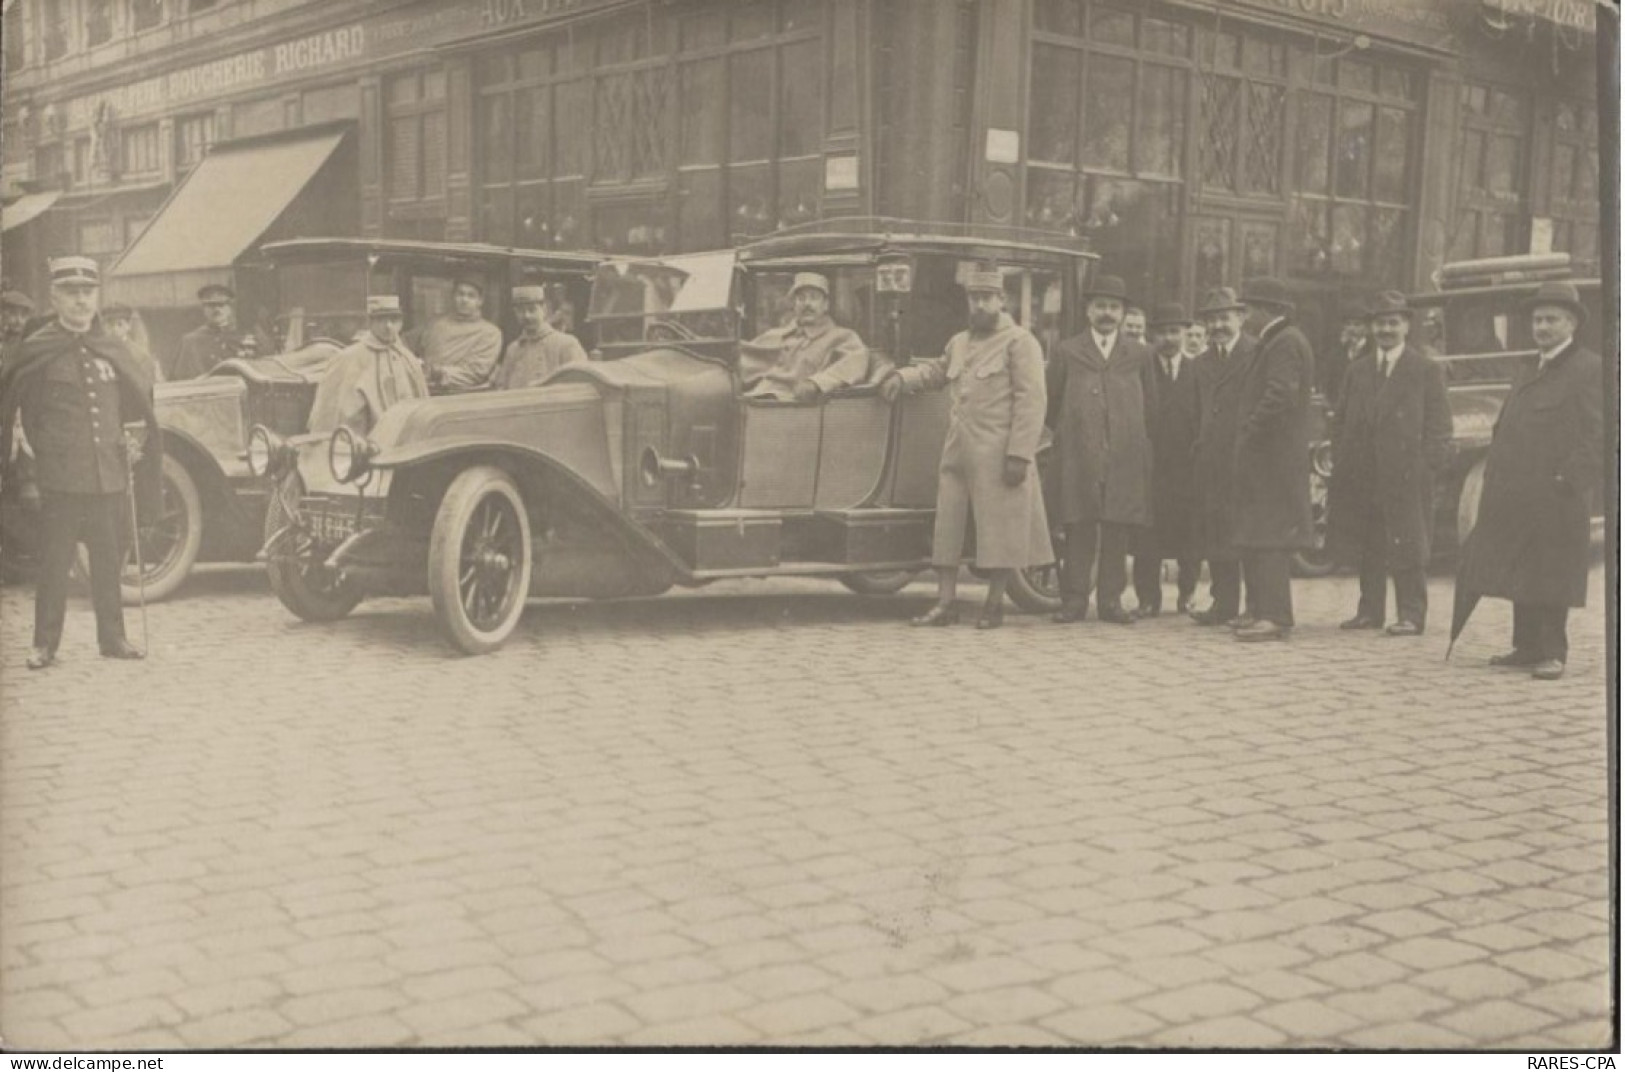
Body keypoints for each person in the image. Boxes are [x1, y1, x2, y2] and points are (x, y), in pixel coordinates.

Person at [0, 255, 161, 670]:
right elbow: (23, 416)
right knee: (54, 564)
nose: (80, 301)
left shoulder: (112, 348)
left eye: (87, 292)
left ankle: (114, 638)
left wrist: (133, 437)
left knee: (108, 562)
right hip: (61, 478)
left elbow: (134, 402)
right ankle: (44, 644)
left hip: (106, 474)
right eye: (71, 293)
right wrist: (36, 470)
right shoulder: (38, 349)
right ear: (54, 297)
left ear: (97, 296)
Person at [878, 266, 1051, 629]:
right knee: (948, 527)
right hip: (958, 451)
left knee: (999, 530)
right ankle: (945, 602)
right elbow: (936, 372)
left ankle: (994, 605)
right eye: (974, 298)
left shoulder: (1021, 342)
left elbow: (1032, 401)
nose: (980, 305)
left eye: (987, 298)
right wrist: (901, 377)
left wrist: (1020, 453)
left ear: (1002, 300)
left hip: (999, 453)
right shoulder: (959, 342)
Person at [1456, 281, 1602, 681]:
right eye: (1537, 320)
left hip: (1557, 494)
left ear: (1571, 323)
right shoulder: (1528, 368)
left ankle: (1553, 652)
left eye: (1551, 319)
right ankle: (1526, 647)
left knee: (1552, 572)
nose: (1542, 327)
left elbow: (1600, 434)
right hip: (1518, 492)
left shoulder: (1589, 368)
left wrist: (1567, 478)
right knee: (1523, 569)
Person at [1327, 291, 1452, 637]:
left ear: (1406, 326)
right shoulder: (1358, 370)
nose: (1386, 330)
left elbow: (1440, 425)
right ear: (1371, 328)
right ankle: (1369, 611)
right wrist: (1343, 458)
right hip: (1364, 474)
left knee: (1408, 543)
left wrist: (1427, 468)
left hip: (1407, 473)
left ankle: (1412, 614)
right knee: (1370, 543)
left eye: (1393, 323)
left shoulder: (1425, 369)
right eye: (1380, 323)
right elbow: (1340, 420)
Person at [1045, 274, 1155, 626]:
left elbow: (1152, 406)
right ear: (1088, 311)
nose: (1107, 313)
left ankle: (1110, 601)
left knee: (1117, 528)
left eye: (1113, 307)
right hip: (1080, 454)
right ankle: (1074, 600)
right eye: (1100, 306)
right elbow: (1052, 402)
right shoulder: (1067, 351)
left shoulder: (1140, 354)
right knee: (1079, 524)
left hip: (1124, 454)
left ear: (1123, 314)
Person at [1230, 278, 1315, 643]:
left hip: (1273, 457)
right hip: (1267, 457)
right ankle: (1261, 610)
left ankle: (1275, 615)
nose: (1244, 315)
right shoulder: (1278, 340)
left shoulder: (1284, 343)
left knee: (1270, 537)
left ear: (1268, 310)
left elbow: (1280, 394)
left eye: (1248, 308)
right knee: (1258, 534)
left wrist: (1250, 429)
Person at [1133, 302, 1202, 617]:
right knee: (1148, 537)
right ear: (1153, 336)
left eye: (1175, 331)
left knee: (1190, 537)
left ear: (1186, 334)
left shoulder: (1197, 371)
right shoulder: (1141, 370)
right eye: (1162, 332)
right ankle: (1148, 599)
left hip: (1187, 468)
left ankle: (1187, 594)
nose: (1169, 338)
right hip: (1150, 466)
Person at [1190, 287, 1253, 627]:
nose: (1218, 326)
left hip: (1244, 458)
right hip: (1211, 460)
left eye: (1224, 317)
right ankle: (1223, 603)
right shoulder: (1201, 363)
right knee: (1215, 532)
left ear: (1241, 317)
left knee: (1247, 534)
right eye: (1211, 319)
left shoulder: (1256, 354)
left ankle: (1254, 605)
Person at [306, 295, 428, 436]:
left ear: (400, 323)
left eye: (394, 320)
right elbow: (331, 415)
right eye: (381, 320)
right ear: (370, 322)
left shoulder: (408, 359)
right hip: (362, 443)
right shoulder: (348, 358)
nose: (388, 326)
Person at [740, 272, 869, 401]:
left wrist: (816, 383)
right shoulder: (774, 335)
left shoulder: (842, 337)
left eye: (814, 298)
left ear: (826, 305)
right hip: (755, 403)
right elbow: (743, 361)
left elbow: (856, 361)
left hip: (797, 409)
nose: (807, 304)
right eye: (801, 298)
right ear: (794, 305)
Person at [492, 285, 589, 390]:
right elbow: (502, 386)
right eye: (520, 311)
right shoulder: (513, 349)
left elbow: (580, 384)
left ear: (544, 309)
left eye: (532, 310)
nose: (527, 316)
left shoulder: (566, 343)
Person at [417, 277, 503, 393]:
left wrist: (437, 372)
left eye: (471, 296)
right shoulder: (435, 324)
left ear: (480, 301)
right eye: (460, 294)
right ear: (453, 297)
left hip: (461, 397)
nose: (464, 299)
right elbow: (407, 344)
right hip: (423, 391)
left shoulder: (490, 333)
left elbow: (476, 373)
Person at [173, 283, 257, 380]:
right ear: (204, 309)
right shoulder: (190, 341)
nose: (217, 309)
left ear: (229, 308)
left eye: (221, 305)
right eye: (211, 305)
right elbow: (180, 378)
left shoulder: (245, 338)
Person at [1320, 305, 1369, 410]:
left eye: (1357, 324)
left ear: (1367, 328)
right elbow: (1328, 380)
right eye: (1348, 324)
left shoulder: (1372, 351)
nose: (1351, 328)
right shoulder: (1337, 352)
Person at [101, 303, 163, 384]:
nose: (114, 329)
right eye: (110, 325)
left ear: (128, 326)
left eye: (120, 324)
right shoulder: (98, 351)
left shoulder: (140, 356)